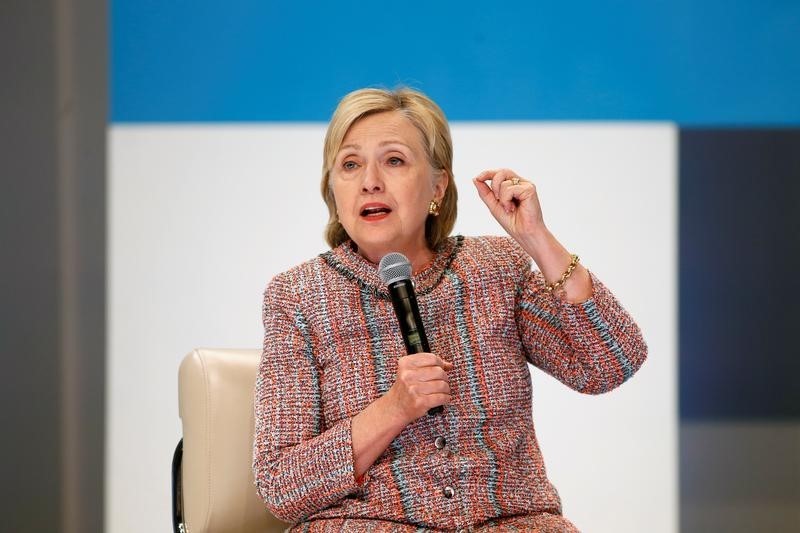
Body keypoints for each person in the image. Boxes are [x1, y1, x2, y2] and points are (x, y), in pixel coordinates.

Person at [253, 87, 647, 532]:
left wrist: (537, 239)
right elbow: (281, 487)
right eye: (350, 164)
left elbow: (611, 363)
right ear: (333, 191)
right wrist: (394, 408)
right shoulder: (298, 297)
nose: (370, 181)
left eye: (394, 160)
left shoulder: (497, 269)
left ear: (438, 185)